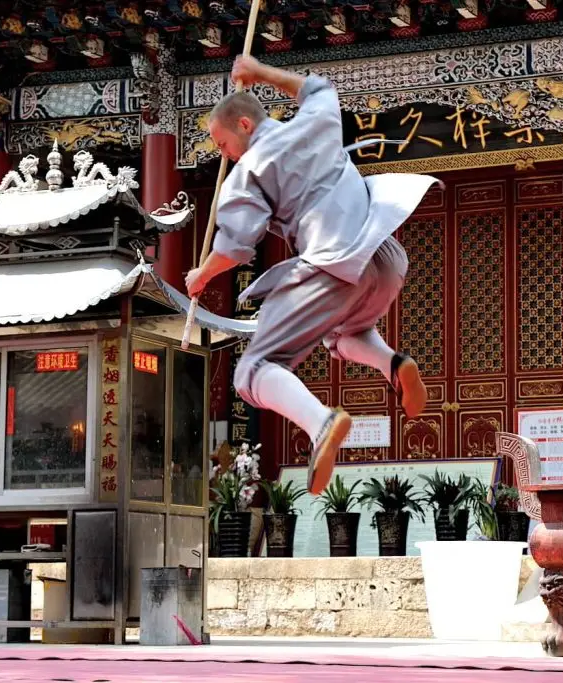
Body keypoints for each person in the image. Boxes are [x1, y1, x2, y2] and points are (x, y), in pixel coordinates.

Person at [185, 55, 439, 495]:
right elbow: (316, 89)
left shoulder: (248, 173)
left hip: (334, 263)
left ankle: (322, 423)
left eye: (221, 143)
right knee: (343, 334)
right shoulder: (315, 122)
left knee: (254, 371)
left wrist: (201, 276)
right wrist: (260, 71)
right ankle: (392, 364)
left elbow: (234, 247)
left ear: (244, 124)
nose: (221, 154)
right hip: (384, 254)